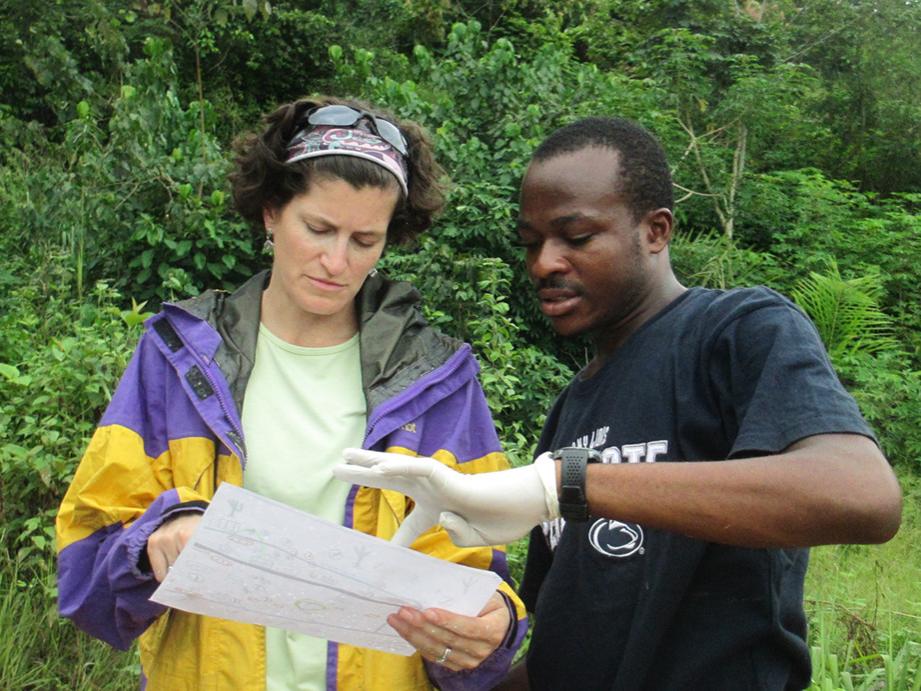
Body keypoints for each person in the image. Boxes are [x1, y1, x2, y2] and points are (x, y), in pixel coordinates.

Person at [334, 116, 903, 689]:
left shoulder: (736, 332)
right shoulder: (571, 408)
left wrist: (564, 484)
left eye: (575, 237)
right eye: (531, 244)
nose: (543, 264)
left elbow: (861, 496)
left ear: (655, 230)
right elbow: (565, 651)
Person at [56, 95, 526, 691]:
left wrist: (492, 622)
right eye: (319, 228)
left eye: (364, 240)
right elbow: (85, 565)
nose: (336, 261)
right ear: (272, 213)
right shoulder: (178, 359)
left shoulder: (437, 381)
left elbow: (478, 569)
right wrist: (161, 534)